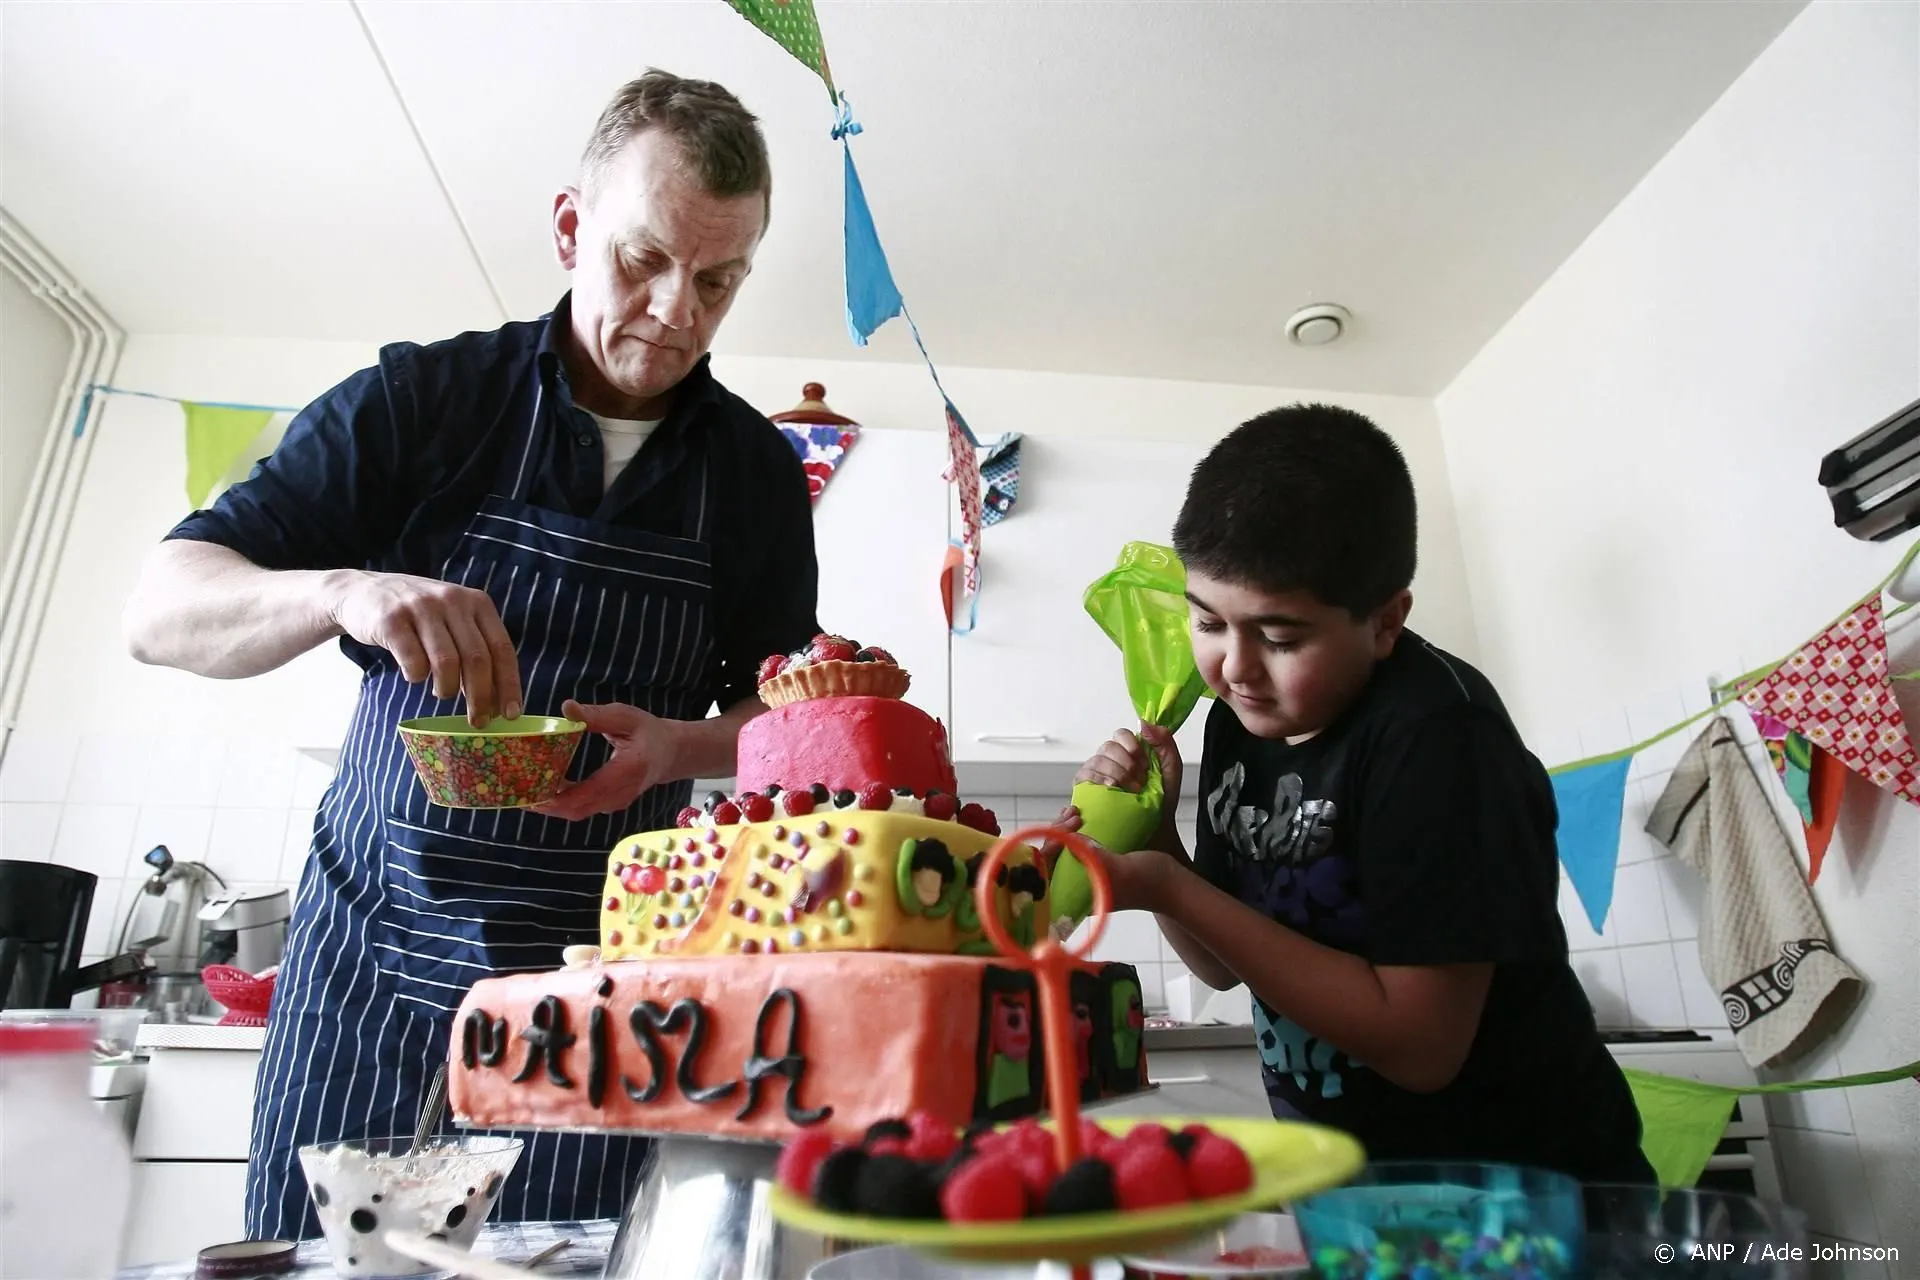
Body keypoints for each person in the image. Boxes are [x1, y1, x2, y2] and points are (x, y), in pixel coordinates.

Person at [121, 70, 820, 1237]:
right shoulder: (425, 401)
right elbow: (159, 606)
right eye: (641, 258)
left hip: (599, 1009)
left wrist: (680, 747)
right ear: (568, 228)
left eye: (717, 281)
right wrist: (342, 590)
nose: (673, 309)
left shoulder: (752, 476)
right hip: (369, 988)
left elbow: (791, 724)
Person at [1056, 403, 1654, 1183]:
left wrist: (1164, 883)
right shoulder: (1244, 719)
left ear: (1383, 622)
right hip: (1359, 1199)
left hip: (1524, 1202)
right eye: (1208, 622)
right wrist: (1157, 837)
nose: (1233, 668)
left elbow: (1421, 1047)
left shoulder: (1439, 737)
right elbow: (1223, 967)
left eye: (1278, 638)